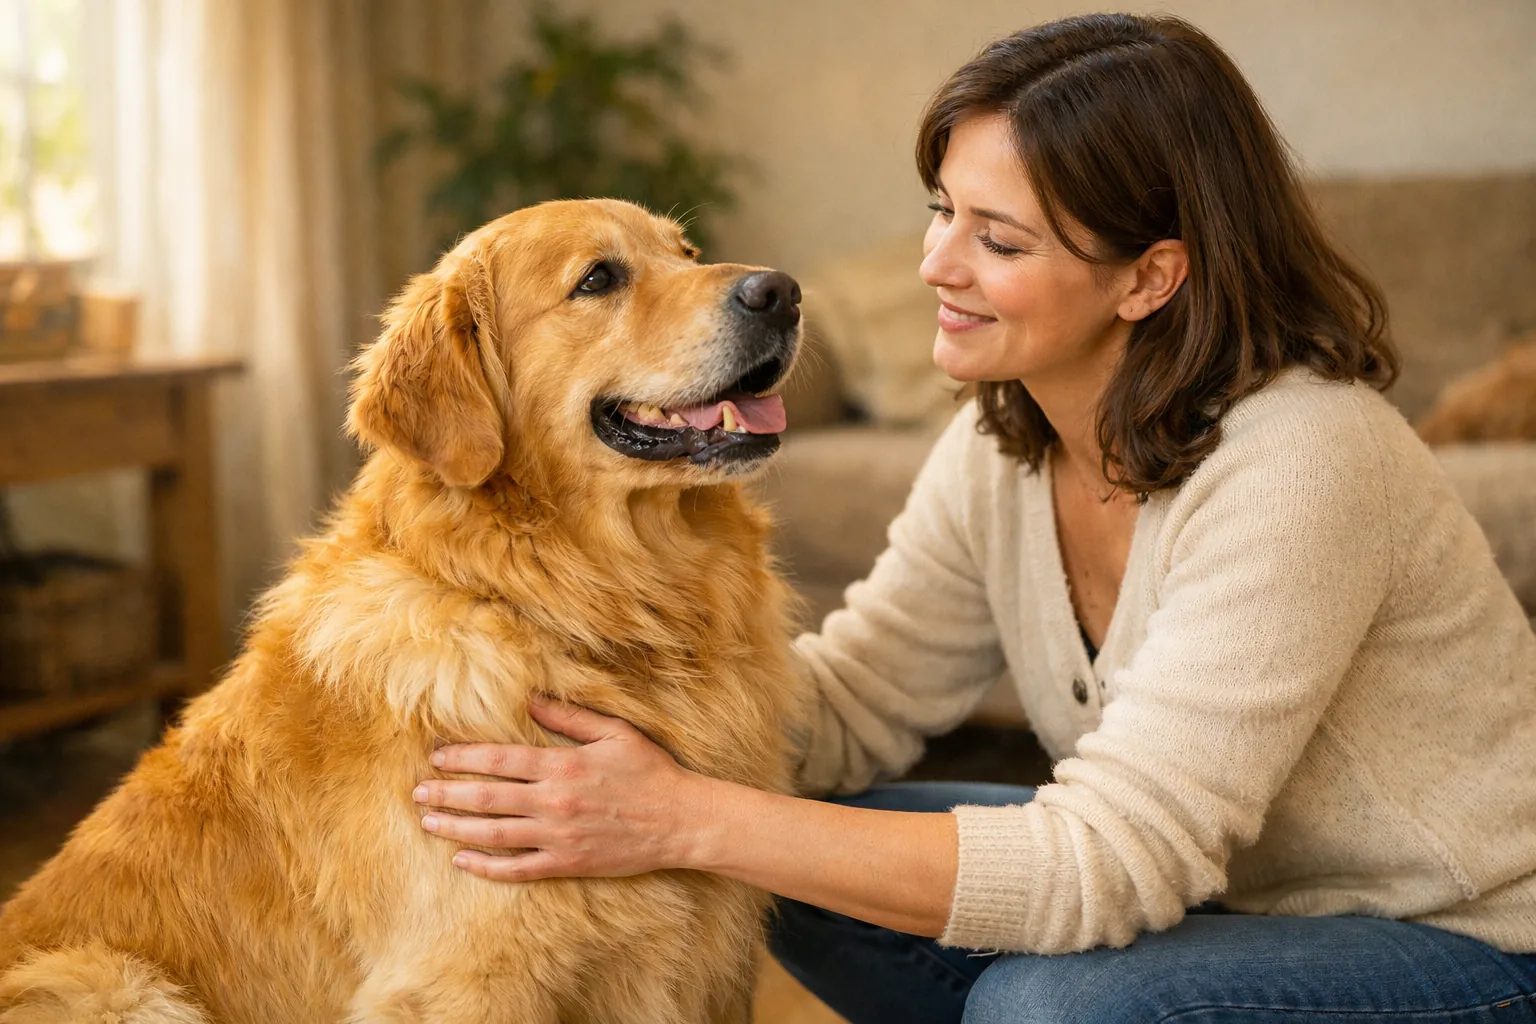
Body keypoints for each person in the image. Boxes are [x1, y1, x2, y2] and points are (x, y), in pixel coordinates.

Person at [408, 13, 1536, 1022]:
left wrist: (680, 815)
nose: (936, 265)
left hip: (1469, 943)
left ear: (1149, 278)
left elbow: (1113, 861)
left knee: (1049, 1006)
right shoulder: (1006, 438)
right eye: (942, 211)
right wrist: (562, 731)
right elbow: (852, 705)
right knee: (807, 866)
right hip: (1236, 903)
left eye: (999, 241)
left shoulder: (1303, 459)